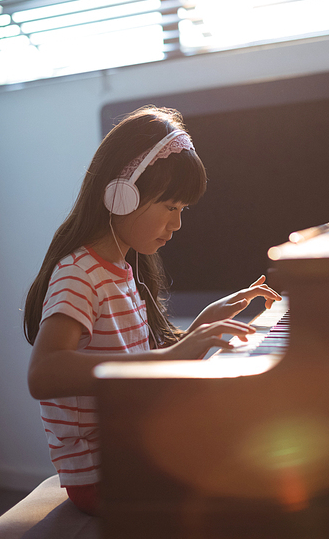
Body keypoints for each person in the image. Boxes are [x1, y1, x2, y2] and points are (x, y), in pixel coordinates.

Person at [24, 106, 281, 516]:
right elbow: (43, 373)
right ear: (121, 194)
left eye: (183, 209)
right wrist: (170, 356)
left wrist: (202, 325)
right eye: (171, 207)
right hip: (104, 473)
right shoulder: (79, 273)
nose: (177, 224)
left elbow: (141, 371)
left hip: (128, 454)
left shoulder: (120, 270)